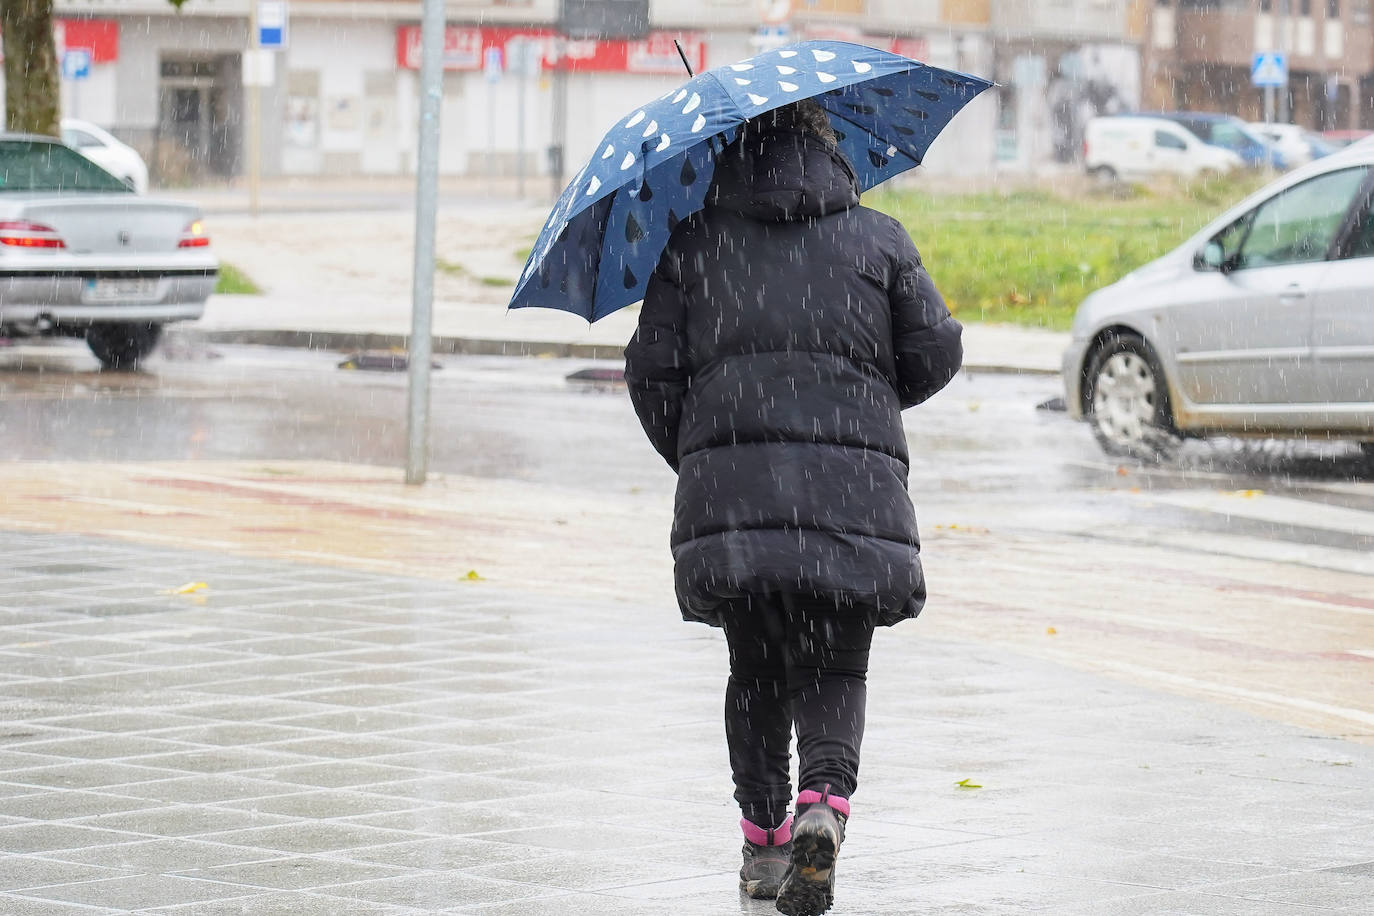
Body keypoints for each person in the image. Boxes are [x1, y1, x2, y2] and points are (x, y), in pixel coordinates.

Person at [624, 99, 962, 916]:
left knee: (755, 670)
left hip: (736, 507)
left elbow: (650, 374)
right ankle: (823, 803)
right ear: (833, 149)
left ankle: (764, 842)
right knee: (838, 661)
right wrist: (869, 396)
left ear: (732, 158)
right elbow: (936, 352)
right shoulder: (878, 239)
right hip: (851, 499)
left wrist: (704, 451)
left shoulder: (695, 244)